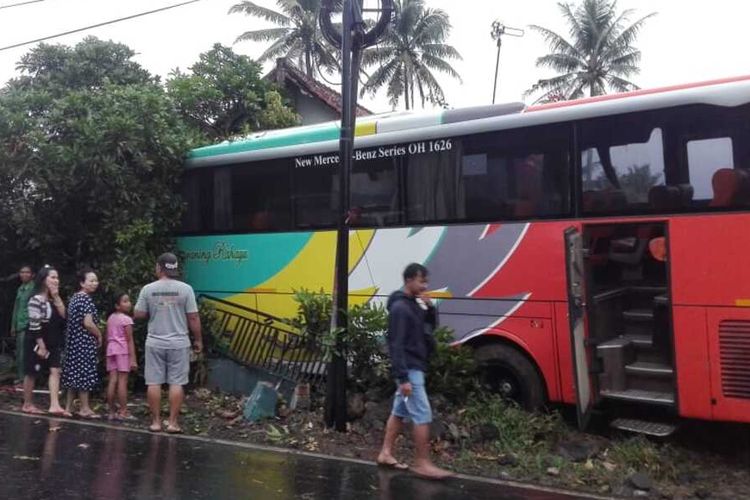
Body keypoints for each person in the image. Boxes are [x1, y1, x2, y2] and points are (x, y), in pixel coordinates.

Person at [377, 263, 453, 480]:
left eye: (425, 281)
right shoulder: (401, 309)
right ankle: (422, 462)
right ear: (409, 280)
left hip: (415, 366)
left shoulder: (413, 305)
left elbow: (429, 329)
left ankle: (385, 453)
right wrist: (403, 378)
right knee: (422, 414)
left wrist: (430, 309)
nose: (425, 285)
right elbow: (396, 344)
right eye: (421, 281)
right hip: (410, 369)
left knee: (399, 412)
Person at [134, 252, 202, 434]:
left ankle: (156, 423)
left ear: (159, 267)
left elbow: (138, 314)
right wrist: (198, 340)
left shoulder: (148, 289)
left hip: (155, 342)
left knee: (154, 383)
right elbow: (193, 317)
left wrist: (155, 309)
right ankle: (172, 423)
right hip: (179, 343)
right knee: (177, 383)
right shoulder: (186, 289)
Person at [21, 265, 68, 416]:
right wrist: (41, 345)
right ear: (43, 280)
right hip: (36, 340)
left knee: (56, 370)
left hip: (53, 340)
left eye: (57, 277)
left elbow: (63, 316)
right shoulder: (36, 299)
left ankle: (55, 405)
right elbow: (35, 325)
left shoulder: (53, 300)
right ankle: (27, 404)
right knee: (32, 372)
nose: (56, 280)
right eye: (52, 277)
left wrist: (56, 296)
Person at [62, 268, 103, 419]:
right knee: (84, 374)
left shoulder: (74, 298)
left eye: (96, 280)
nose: (94, 283)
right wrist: (99, 334)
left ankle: (68, 407)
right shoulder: (85, 299)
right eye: (91, 280)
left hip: (73, 343)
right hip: (83, 343)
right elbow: (88, 323)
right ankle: (84, 408)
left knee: (73, 374)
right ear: (82, 283)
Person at [106, 293, 137, 421]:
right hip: (123, 351)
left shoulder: (111, 318)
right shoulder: (126, 320)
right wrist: (133, 359)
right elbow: (129, 340)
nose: (128, 303)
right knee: (123, 381)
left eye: (128, 300)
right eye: (125, 301)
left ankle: (111, 411)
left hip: (111, 350)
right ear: (117, 305)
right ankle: (123, 411)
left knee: (113, 380)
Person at [10, 265, 34, 384]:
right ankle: (20, 377)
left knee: (25, 353)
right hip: (19, 325)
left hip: (28, 324)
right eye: (22, 272)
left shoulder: (33, 288)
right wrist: (13, 325)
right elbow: (16, 307)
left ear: (32, 274)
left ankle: (24, 378)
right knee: (19, 352)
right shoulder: (20, 288)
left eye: (27, 272)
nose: (24, 274)